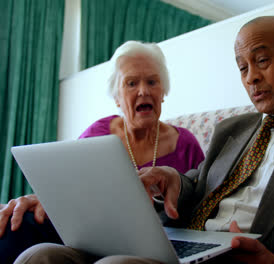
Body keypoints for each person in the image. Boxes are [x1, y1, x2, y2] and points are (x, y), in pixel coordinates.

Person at [15, 16, 274, 264]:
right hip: (181, 242)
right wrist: (172, 179)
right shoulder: (232, 129)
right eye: (242, 67)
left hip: (245, 254)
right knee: (41, 256)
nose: (251, 77)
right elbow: (197, 183)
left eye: (261, 60)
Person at [0, 40, 205, 264]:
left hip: (155, 247)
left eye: (152, 81)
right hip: (92, 240)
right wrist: (43, 199)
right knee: (18, 229)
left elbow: (202, 203)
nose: (143, 91)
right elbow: (68, 192)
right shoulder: (97, 133)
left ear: (163, 91)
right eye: (131, 83)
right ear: (116, 97)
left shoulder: (186, 143)